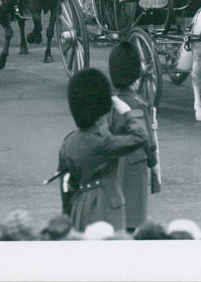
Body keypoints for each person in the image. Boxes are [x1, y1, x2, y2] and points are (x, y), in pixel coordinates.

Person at [57, 68, 149, 233]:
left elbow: (65, 188)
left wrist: (68, 214)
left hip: (79, 207)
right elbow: (141, 136)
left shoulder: (68, 142)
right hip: (107, 208)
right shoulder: (103, 142)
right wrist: (127, 112)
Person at [108, 42, 159, 233]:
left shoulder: (111, 102)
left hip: (113, 162)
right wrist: (153, 163)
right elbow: (147, 139)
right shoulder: (138, 104)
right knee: (134, 220)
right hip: (136, 164)